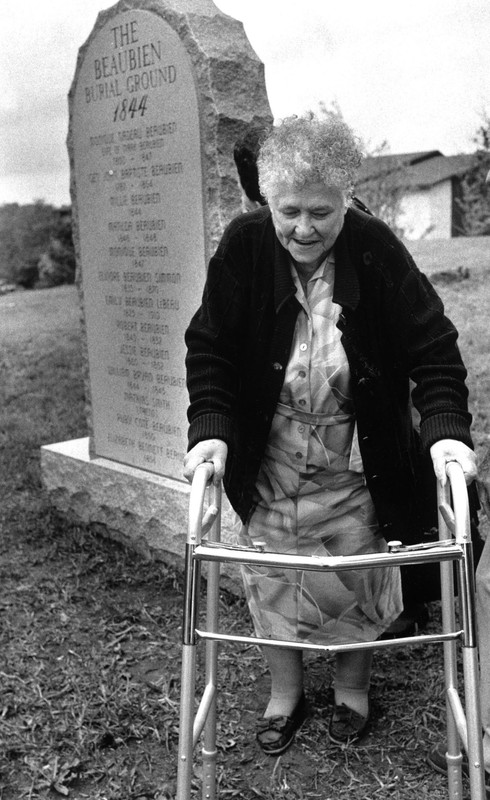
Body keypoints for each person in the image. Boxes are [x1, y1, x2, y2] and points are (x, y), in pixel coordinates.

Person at [184, 112, 477, 756]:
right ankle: (284, 691)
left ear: (346, 198)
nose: (304, 228)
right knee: (276, 574)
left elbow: (434, 347)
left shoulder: (374, 247)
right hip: (272, 458)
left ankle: (352, 689)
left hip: (354, 463)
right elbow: (210, 347)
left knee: (353, 572)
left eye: (321, 211)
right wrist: (209, 429)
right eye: (289, 211)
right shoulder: (245, 244)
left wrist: (447, 431)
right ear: (267, 199)